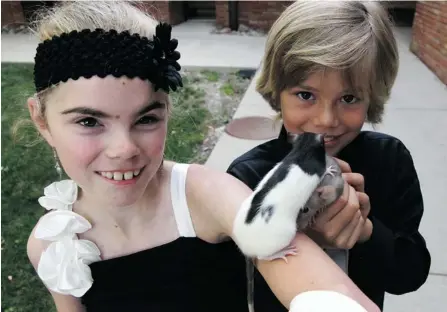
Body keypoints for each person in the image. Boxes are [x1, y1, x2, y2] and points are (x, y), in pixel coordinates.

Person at [22, 1, 381, 312]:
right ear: (42, 119)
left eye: (146, 118)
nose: (124, 149)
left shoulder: (204, 195)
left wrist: (333, 299)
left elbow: (309, 275)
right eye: (89, 121)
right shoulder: (53, 243)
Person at [227, 1, 431, 311]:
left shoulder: (390, 161)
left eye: (348, 98)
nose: (325, 120)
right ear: (277, 91)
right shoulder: (249, 176)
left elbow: (411, 273)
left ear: (372, 97)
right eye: (306, 95)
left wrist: (367, 233)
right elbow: (226, 279)